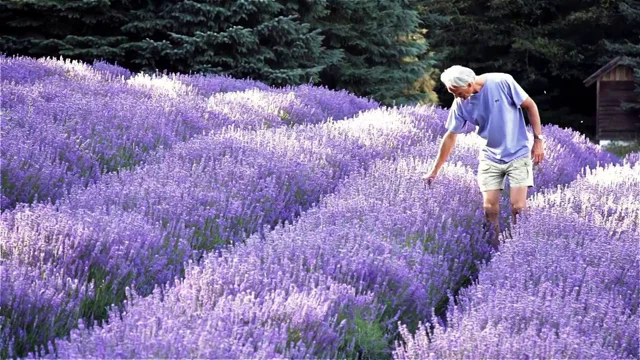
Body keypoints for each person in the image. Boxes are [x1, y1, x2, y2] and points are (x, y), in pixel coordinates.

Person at [423, 65, 545, 250]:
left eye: (457, 91)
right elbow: (450, 137)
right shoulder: (460, 104)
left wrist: (538, 141)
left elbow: (530, 106)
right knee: (490, 209)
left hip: (518, 153)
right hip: (490, 157)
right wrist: (435, 170)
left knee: (518, 208)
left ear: (469, 83)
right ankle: (495, 249)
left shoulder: (502, 81)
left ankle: (521, 247)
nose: (456, 97)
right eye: (452, 93)